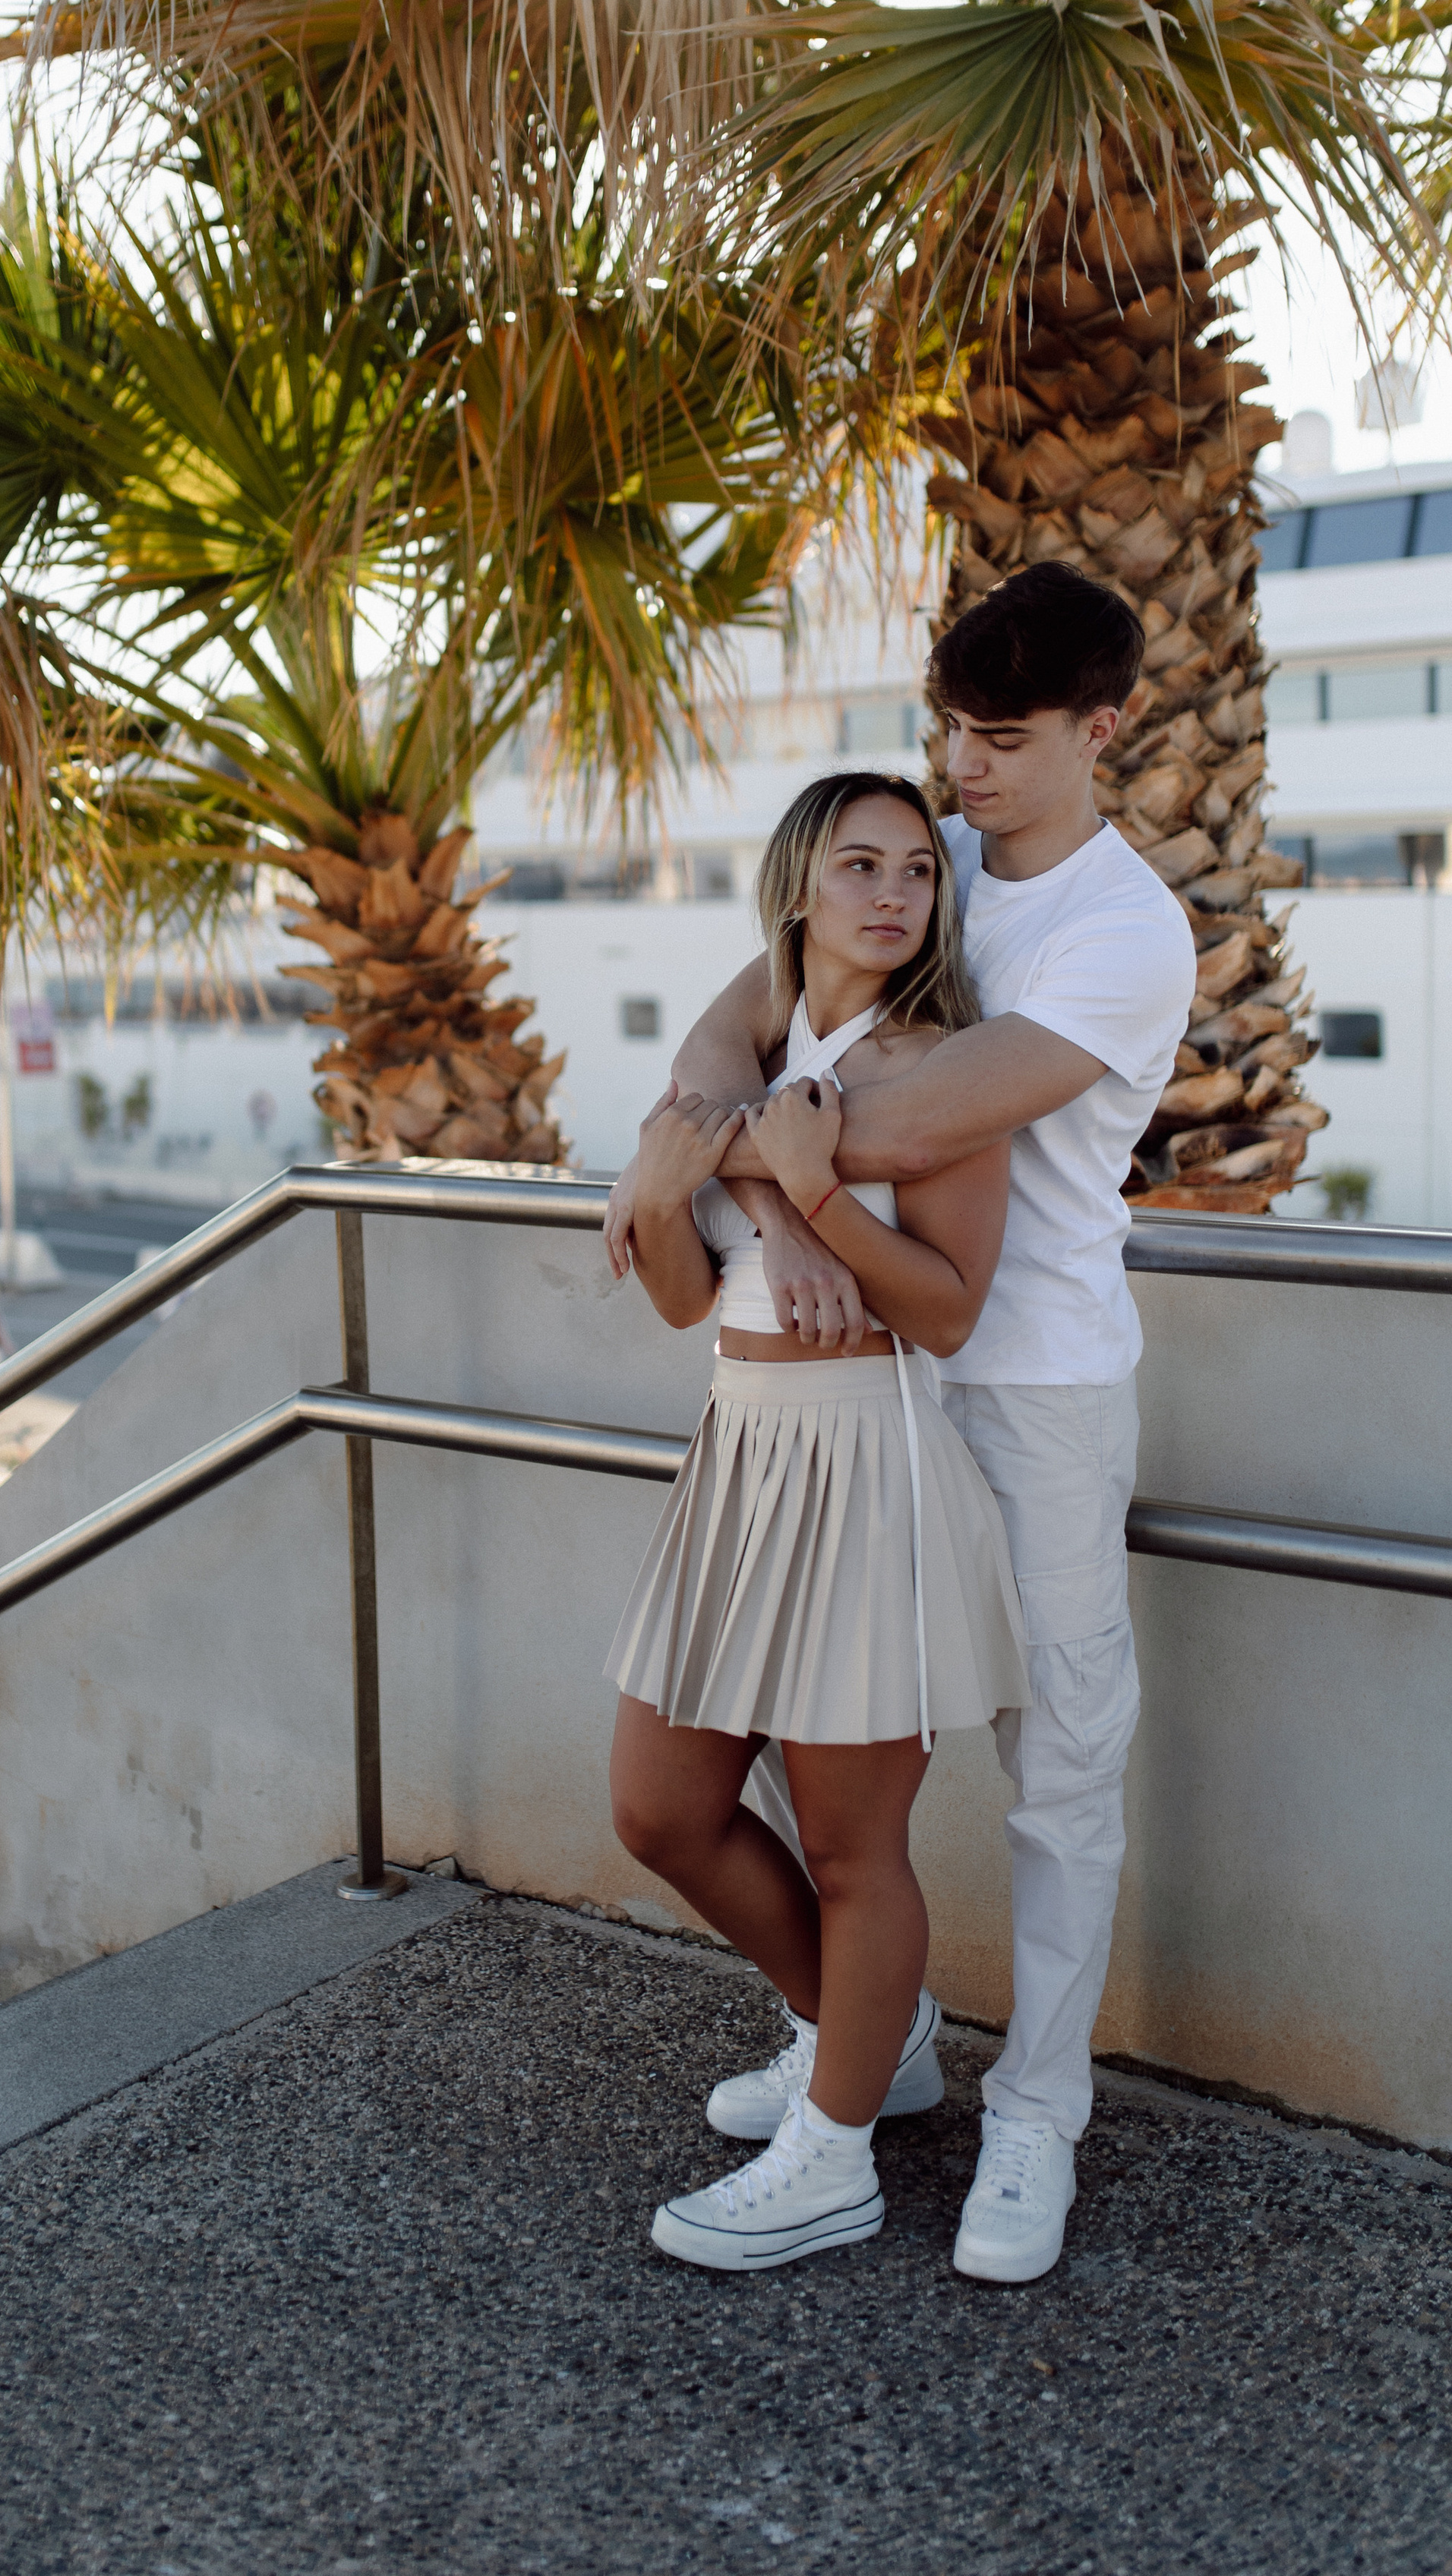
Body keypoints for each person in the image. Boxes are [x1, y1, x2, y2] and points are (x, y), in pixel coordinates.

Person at [604, 561, 1197, 2283]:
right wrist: (727, 1157)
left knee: (1057, 1761)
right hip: (867, 1398)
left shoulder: (1116, 928)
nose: (961, 768)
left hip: (1033, 1387)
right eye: (949, 730)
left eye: (1000, 739)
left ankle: (1037, 2112)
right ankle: (875, 2040)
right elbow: (719, 1063)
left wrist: (721, 1150)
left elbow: (887, 1119)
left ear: (1102, 730)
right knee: (805, 1758)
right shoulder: (910, 863)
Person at [608, 769, 1031, 2272]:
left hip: (867, 1464)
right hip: (739, 1454)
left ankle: (833, 2158)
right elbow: (677, 1301)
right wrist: (685, 1199)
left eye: (916, 869)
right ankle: (860, 2033)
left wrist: (820, 1202)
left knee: (857, 1854)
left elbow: (948, 1310)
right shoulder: (739, 1059)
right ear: (796, 885)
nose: (890, 894)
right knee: (658, 1806)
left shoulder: (940, 1070)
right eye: (856, 864)